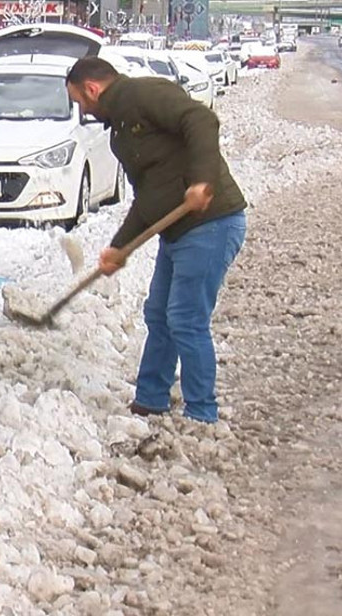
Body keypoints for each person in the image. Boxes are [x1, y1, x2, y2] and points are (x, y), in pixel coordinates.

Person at [65, 57, 247, 423]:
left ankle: (202, 412)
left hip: (211, 222)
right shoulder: (120, 126)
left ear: (92, 89)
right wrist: (120, 246)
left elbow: (201, 119)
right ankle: (150, 398)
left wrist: (202, 180)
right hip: (178, 229)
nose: (82, 109)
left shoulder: (144, 93)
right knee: (159, 314)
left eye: (80, 101)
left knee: (185, 318)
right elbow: (148, 196)